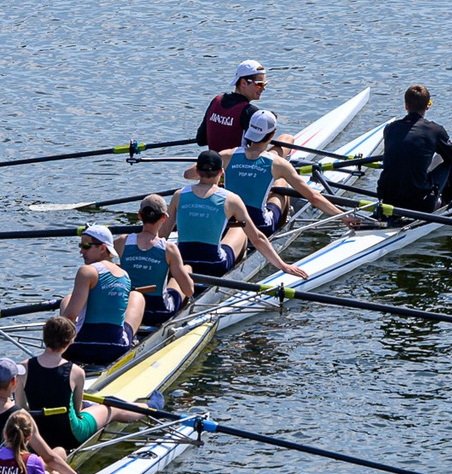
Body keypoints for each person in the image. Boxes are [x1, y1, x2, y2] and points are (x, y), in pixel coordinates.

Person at [220, 108, 353, 237]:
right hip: (260, 226)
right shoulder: (278, 164)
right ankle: (283, 224)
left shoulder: (226, 155)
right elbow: (313, 197)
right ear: (272, 134)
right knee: (282, 184)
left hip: (227, 222)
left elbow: (198, 173)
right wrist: (344, 216)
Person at [170, 149, 298, 281]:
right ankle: (237, 269)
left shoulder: (179, 195)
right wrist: (282, 265)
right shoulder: (231, 199)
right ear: (221, 172)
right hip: (215, 266)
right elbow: (257, 238)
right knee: (241, 229)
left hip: (182, 262)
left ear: (197, 172)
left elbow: (161, 235)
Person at [21, 315, 125, 467]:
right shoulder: (76, 372)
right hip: (70, 435)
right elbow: (77, 410)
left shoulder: (23, 368)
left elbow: (21, 409)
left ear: (44, 338)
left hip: (37, 436)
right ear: (69, 343)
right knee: (112, 408)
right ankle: (147, 408)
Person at [60, 224, 143, 367]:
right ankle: (133, 341)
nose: (81, 251)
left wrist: (54, 351)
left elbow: (70, 317)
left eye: (86, 246)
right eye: (80, 246)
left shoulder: (87, 271)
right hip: (116, 349)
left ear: (103, 248)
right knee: (137, 297)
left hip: (81, 348)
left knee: (67, 299)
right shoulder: (125, 275)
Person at [379, 85, 452, 213]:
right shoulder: (435, 130)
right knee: (448, 161)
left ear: (406, 106)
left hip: (386, 200)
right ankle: (451, 201)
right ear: (427, 106)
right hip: (420, 204)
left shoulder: (390, 128)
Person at [118, 196, 195, 330]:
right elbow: (188, 291)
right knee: (186, 269)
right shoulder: (169, 248)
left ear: (140, 216)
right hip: (158, 313)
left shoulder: (121, 242)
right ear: (164, 217)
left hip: (127, 310)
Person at [197, 60, 269, 151]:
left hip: (215, 162)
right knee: (286, 138)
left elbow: (201, 140)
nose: (264, 88)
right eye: (260, 84)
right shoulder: (250, 112)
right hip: (238, 164)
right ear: (243, 83)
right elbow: (259, 149)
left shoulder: (216, 101)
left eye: (265, 84)